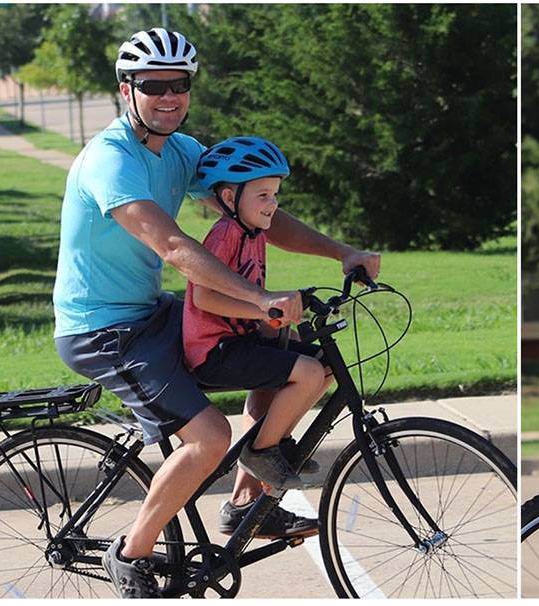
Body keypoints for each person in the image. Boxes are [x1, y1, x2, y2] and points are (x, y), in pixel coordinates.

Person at [52, 28, 380, 598]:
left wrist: (340, 252)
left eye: (179, 84)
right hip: (101, 329)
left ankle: (247, 503)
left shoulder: (180, 151)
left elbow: (254, 207)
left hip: (150, 311)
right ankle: (130, 553)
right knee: (207, 437)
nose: (169, 96)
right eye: (153, 85)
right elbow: (175, 246)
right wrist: (258, 300)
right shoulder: (111, 161)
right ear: (126, 88)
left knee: (287, 358)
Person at [183, 136, 331, 496]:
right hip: (213, 351)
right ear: (231, 199)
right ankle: (261, 451)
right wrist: (263, 306)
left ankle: (274, 442)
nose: (273, 204)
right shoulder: (225, 235)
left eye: (275, 194)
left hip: (240, 341)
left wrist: (274, 313)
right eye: (263, 195)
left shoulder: (253, 233)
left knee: (322, 364)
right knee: (308, 372)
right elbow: (204, 296)